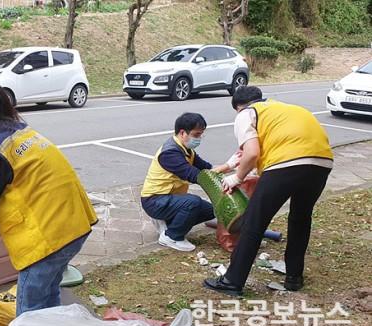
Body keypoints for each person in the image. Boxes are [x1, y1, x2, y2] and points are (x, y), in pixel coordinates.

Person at [0, 79, 98, 316]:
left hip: (48, 240)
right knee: (49, 294)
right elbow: (17, 185)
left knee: (29, 311)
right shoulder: (22, 132)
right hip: (76, 224)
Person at [203, 86, 333, 296]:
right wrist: (234, 166)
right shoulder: (285, 110)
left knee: (254, 222)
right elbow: (252, 153)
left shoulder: (246, 113)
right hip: (322, 162)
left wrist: (236, 178)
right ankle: (294, 277)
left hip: (286, 163)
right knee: (300, 219)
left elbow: (252, 152)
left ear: (238, 107)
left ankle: (232, 281)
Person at [140, 113, 237, 252]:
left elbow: (206, 168)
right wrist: (227, 172)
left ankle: (167, 222)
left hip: (169, 198)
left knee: (212, 211)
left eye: (201, 135)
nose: (199, 139)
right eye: (196, 135)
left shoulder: (186, 149)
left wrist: (233, 169)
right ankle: (171, 236)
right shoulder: (169, 153)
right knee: (193, 203)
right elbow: (196, 176)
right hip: (155, 200)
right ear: (182, 132)